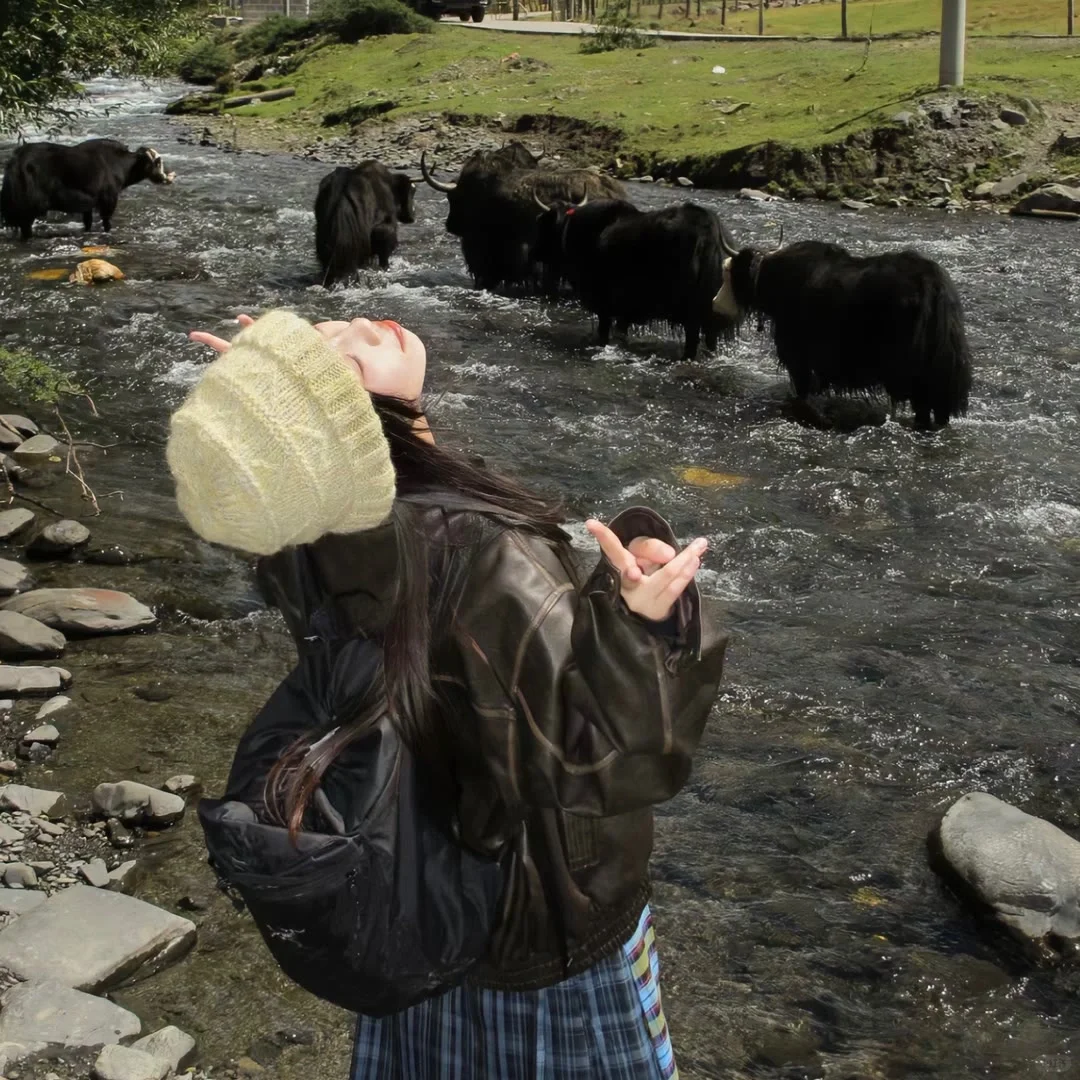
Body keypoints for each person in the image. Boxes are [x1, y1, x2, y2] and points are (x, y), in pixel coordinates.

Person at [167, 309, 728, 1080]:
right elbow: (602, 763)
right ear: (343, 416)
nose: (359, 323)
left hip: (417, 883)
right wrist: (647, 628)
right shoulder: (487, 550)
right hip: (539, 921)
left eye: (322, 329)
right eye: (335, 353)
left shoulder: (306, 526)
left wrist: (277, 423)